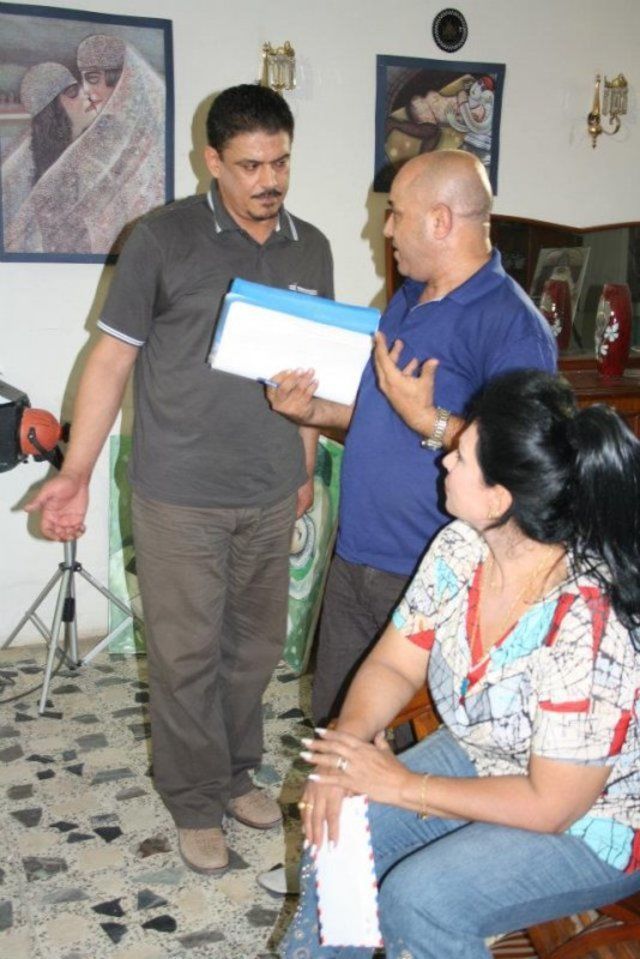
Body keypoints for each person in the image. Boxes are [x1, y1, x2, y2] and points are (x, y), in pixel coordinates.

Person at [26, 84, 334, 874]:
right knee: (187, 654)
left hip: (269, 487)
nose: (269, 180)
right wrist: (77, 471)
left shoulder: (311, 248)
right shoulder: (162, 239)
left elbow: (313, 367)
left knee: (253, 649)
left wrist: (304, 463)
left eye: (281, 162)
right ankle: (194, 798)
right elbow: (111, 359)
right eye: (251, 165)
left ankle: (234, 773)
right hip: (179, 492)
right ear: (213, 162)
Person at [281, 368, 640, 959]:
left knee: (422, 899)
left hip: (595, 822)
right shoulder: (461, 546)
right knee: (338, 821)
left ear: (500, 499)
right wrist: (347, 748)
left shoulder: (585, 622)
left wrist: (405, 786)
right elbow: (394, 665)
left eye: (462, 456)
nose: (445, 459)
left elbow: (550, 805)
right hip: (487, 754)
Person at [267, 149, 557, 729]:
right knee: (337, 727)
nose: (384, 229)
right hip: (355, 557)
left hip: (433, 572)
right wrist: (316, 410)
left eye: (396, 213)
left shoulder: (513, 326)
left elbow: (525, 462)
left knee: (412, 746)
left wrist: (430, 421)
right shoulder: (405, 298)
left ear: (441, 221)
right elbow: (383, 416)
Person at [4, 34, 166, 255]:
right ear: (54, 112)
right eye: (77, 87)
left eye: (92, 79)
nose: (87, 93)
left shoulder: (127, 141)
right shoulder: (59, 168)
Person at [1, 62, 94, 240]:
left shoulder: (85, 154)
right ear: (52, 109)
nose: (86, 94)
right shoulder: (30, 172)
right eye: (72, 91)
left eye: (80, 87)